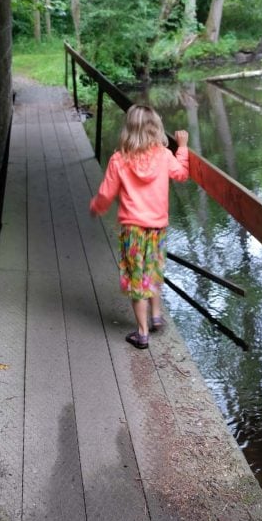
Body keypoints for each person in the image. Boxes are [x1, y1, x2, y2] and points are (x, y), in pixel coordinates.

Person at [89, 104, 189, 350]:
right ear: (157, 128)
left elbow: (106, 193)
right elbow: (181, 175)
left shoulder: (119, 159)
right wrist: (183, 148)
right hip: (157, 228)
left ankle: (142, 332)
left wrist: (96, 207)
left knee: (137, 277)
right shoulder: (165, 156)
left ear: (129, 129)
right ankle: (156, 316)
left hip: (132, 230)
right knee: (153, 269)